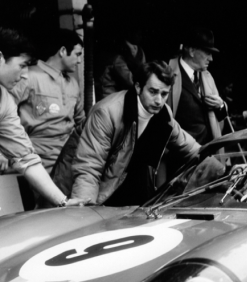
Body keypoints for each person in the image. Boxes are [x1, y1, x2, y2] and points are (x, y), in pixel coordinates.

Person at [53, 60, 200, 206]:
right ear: (138, 87)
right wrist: (84, 214)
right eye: (153, 92)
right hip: (80, 188)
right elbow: (89, 168)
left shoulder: (163, 115)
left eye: (164, 94)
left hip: (120, 188)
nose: (159, 101)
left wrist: (220, 169)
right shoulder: (107, 112)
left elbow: (191, 148)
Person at [0, 27, 85, 217]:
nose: (26, 74)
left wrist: (64, 201)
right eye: (22, 65)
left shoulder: (3, 100)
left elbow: (27, 159)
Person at [11, 29, 86, 174]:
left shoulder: (73, 84)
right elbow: (2, 114)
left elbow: (81, 122)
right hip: (37, 160)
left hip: (70, 159)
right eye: (77, 54)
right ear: (63, 51)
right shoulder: (28, 76)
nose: (79, 61)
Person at [168, 27, 227, 144]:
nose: (211, 58)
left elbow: (221, 117)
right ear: (191, 51)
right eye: (207, 53)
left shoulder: (207, 77)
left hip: (208, 150)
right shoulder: (168, 73)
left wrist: (220, 106)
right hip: (181, 154)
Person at [98, 27, 146, 99]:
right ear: (130, 34)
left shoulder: (138, 50)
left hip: (120, 95)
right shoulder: (119, 54)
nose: (140, 37)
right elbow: (129, 81)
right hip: (110, 96)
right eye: (138, 34)